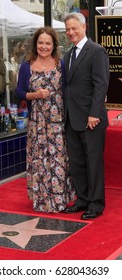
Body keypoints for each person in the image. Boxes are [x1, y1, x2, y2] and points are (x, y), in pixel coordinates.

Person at [16, 26, 75, 213]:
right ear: (35, 44)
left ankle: (59, 199)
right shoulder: (27, 65)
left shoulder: (61, 63)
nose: (44, 46)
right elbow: (18, 92)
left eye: (47, 43)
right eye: (40, 42)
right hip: (37, 123)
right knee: (39, 160)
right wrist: (34, 95)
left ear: (54, 45)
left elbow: (69, 88)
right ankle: (41, 200)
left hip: (57, 121)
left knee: (58, 159)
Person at [63, 12, 110, 219]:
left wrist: (94, 113)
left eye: (74, 28)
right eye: (67, 30)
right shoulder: (68, 55)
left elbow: (101, 84)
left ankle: (96, 204)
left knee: (93, 163)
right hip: (71, 118)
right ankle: (82, 199)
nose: (71, 32)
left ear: (84, 27)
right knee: (77, 163)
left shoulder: (96, 51)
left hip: (92, 119)